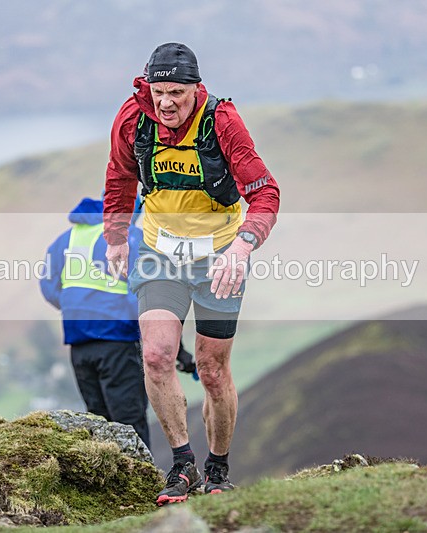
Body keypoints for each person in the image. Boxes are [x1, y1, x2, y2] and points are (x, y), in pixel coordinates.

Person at [103, 43, 280, 505]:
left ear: (195, 89)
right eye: (159, 91)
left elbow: (265, 193)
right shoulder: (133, 118)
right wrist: (117, 236)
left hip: (221, 256)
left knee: (211, 369)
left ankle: (218, 468)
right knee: (158, 355)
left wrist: (242, 247)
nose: (166, 102)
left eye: (176, 93)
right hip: (161, 253)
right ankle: (183, 466)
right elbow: (120, 177)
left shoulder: (221, 122)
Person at [40, 196, 197, 450]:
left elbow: (48, 287)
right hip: (118, 342)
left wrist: (77, 309)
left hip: (79, 345)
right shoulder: (131, 238)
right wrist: (178, 349)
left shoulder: (68, 238)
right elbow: (144, 302)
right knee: (129, 422)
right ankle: (143, 486)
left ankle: (107, 486)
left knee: (98, 421)